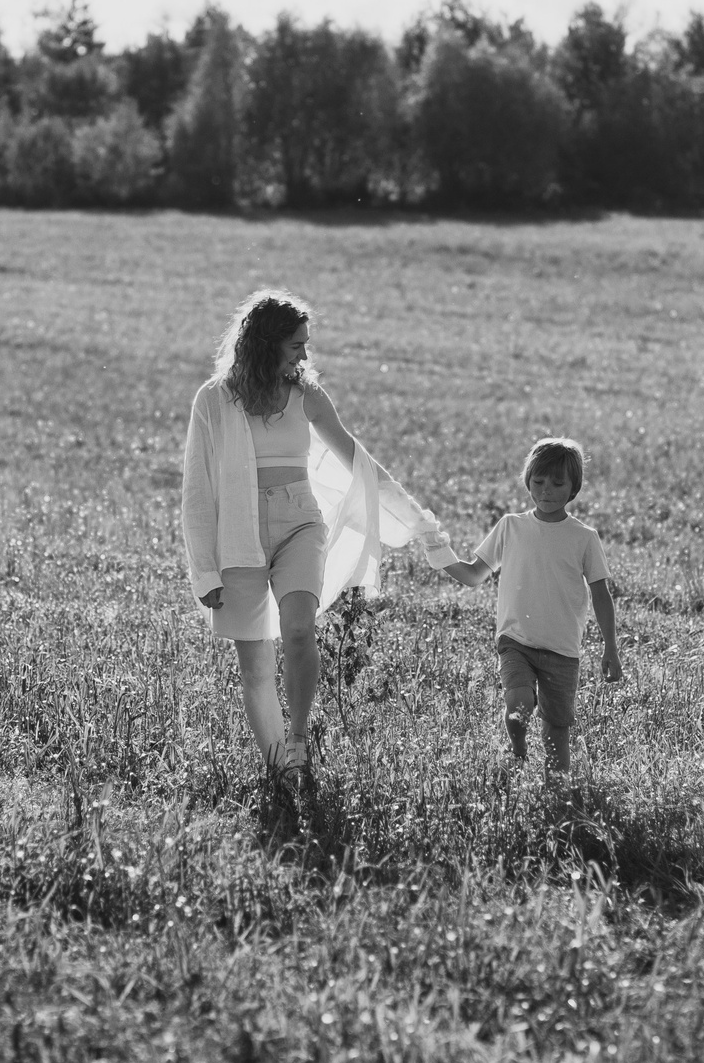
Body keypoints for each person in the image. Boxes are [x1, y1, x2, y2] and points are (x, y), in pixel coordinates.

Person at [181, 288, 433, 777]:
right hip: (237, 535)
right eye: (296, 344)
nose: (304, 355)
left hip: (300, 522)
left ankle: (298, 740)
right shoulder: (213, 399)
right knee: (255, 667)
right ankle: (280, 769)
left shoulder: (307, 396)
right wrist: (204, 571)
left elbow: (361, 463)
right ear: (266, 343)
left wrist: (418, 521)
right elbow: (196, 489)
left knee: (299, 628)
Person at [441, 436, 623, 774]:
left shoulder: (584, 538)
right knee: (518, 705)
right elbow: (473, 574)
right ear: (528, 482)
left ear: (573, 489)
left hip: (562, 648)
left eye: (557, 483)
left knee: (557, 732)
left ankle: (557, 793)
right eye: (538, 482)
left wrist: (610, 647)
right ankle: (519, 749)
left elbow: (601, 594)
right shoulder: (511, 526)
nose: (546, 491)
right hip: (516, 639)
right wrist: (440, 554)